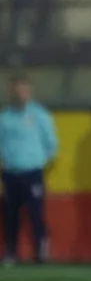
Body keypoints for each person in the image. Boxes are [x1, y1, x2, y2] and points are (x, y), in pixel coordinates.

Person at [0, 76, 57, 265]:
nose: (20, 95)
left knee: (36, 214)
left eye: (23, 91)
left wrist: (40, 165)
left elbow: (51, 146)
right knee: (10, 215)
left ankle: (41, 251)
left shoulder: (39, 115)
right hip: (10, 173)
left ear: (29, 92)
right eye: (17, 91)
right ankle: (11, 253)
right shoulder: (5, 118)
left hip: (32, 172)